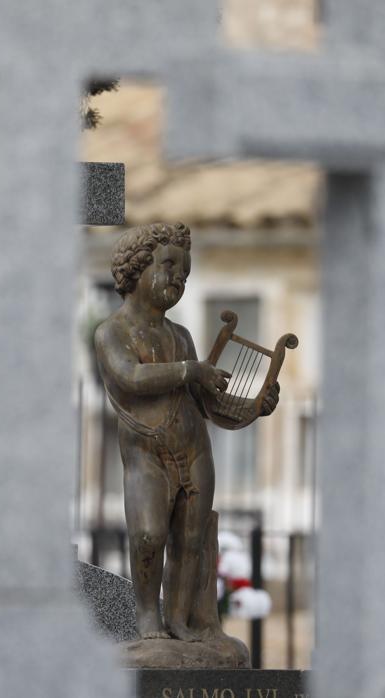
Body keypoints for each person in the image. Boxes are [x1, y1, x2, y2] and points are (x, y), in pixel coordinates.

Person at [94, 222, 278, 641]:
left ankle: (179, 619)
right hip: (145, 455)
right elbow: (130, 377)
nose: (178, 278)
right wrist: (188, 370)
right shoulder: (112, 332)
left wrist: (254, 406)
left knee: (190, 539)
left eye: (185, 273)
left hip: (194, 450)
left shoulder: (181, 335)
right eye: (169, 266)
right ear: (135, 269)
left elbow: (206, 402)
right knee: (147, 534)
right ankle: (146, 620)